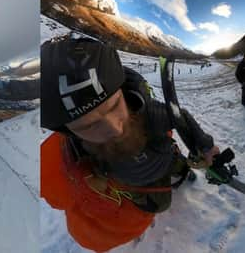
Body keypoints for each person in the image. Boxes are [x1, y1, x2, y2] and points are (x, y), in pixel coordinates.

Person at [40, 36, 220, 252]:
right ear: (69, 132)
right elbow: (77, 168)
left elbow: (181, 117)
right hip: (141, 185)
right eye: (89, 126)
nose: (115, 128)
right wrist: (90, 174)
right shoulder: (77, 149)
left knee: (177, 166)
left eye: (114, 105)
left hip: (165, 159)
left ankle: (183, 172)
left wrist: (206, 146)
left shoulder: (150, 113)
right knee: (162, 204)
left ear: (123, 92)